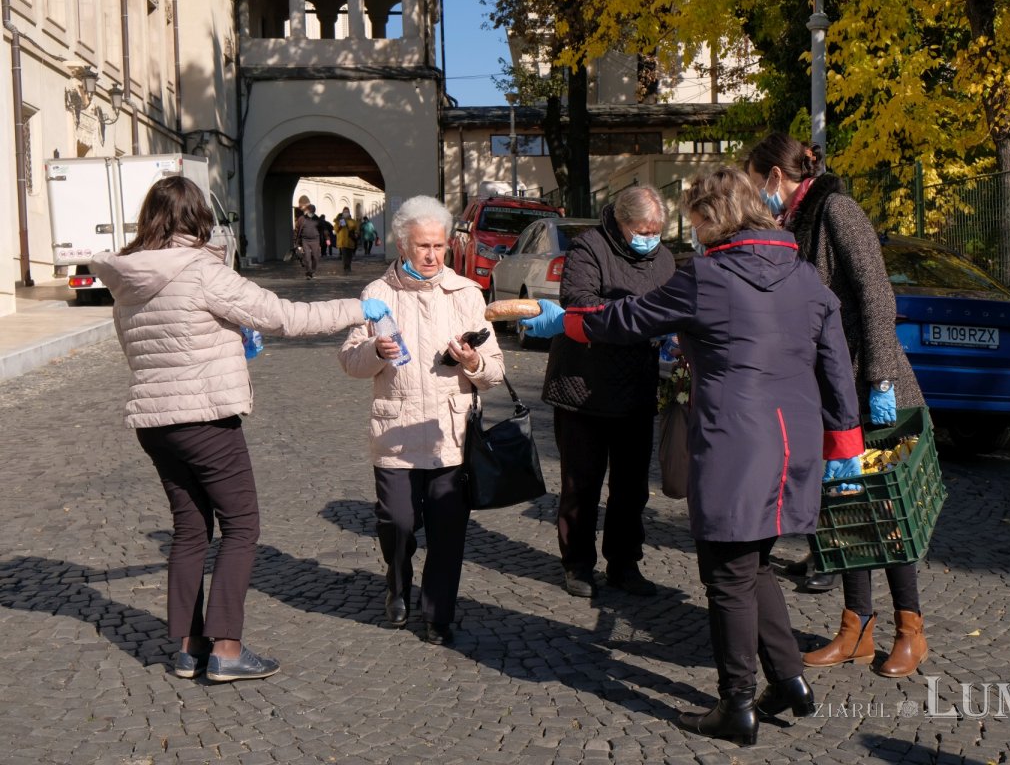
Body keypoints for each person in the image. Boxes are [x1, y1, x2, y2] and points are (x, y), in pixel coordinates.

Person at [522, 167, 865, 745]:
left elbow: (629, 320)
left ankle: (735, 704)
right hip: (795, 442)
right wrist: (844, 442)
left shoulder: (708, 275)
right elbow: (835, 364)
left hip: (738, 442)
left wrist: (572, 324)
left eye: (696, 219)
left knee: (728, 576)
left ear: (714, 217)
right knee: (754, 565)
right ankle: (788, 679)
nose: (694, 232)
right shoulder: (807, 277)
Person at [90, 176, 391, 683]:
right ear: (197, 218)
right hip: (204, 416)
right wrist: (357, 308)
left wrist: (229, 338)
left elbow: (142, 349)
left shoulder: (129, 280)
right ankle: (227, 647)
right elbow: (283, 316)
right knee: (242, 526)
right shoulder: (200, 269)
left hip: (155, 421)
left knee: (189, 531)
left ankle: (187, 648)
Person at [745, 132, 929, 679]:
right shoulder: (792, 222)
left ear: (776, 176)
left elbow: (876, 294)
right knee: (843, 507)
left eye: (758, 182)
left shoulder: (837, 210)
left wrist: (879, 380)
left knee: (886, 506)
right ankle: (856, 629)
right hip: (826, 391)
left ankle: (910, 631)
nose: (757, 193)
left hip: (869, 390)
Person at [339, 195, 505, 646]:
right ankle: (397, 581)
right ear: (402, 245)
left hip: (450, 433)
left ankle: (439, 613)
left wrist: (472, 360)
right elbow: (350, 362)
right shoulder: (377, 295)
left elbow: (495, 370)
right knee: (397, 521)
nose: (432, 256)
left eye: (439, 246)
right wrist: (375, 351)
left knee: (449, 531)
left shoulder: (467, 293)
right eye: (422, 247)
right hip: (394, 431)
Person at [540, 186, 676, 599]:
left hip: (636, 387)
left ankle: (624, 562)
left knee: (632, 487)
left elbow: (673, 306)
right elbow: (578, 301)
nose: (649, 237)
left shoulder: (665, 258)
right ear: (621, 221)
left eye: (656, 230)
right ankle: (577, 564)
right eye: (642, 229)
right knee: (582, 483)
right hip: (584, 387)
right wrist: (643, 316)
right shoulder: (588, 247)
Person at [295, 203, 321, 278]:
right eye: (309, 210)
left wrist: (327, 238)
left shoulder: (317, 219)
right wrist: (296, 241)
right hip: (305, 240)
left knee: (315, 257)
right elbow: (297, 230)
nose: (311, 212)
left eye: (312, 211)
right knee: (307, 257)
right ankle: (308, 272)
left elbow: (323, 229)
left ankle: (313, 270)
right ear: (307, 211)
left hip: (315, 240)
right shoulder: (302, 219)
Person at [335, 206, 359, 273]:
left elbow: (356, 229)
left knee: (350, 255)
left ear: (349, 213)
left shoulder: (353, 221)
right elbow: (336, 230)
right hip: (343, 241)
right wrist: (339, 225)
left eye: (347, 212)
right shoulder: (341, 220)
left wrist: (356, 234)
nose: (346, 213)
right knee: (345, 255)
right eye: (344, 212)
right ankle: (346, 267)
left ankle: (348, 265)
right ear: (342, 213)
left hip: (351, 241)